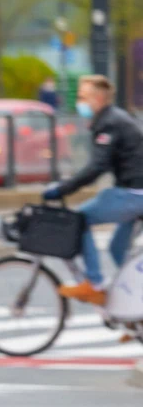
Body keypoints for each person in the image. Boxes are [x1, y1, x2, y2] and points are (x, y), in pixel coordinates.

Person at [42, 75, 143, 306]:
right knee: (118, 249)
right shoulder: (113, 119)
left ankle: (94, 283)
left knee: (78, 218)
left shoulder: (109, 123)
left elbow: (97, 167)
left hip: (135, 194)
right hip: (135, 191)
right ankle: (136, 313)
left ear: (98, 98)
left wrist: (63, 189)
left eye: (83, 97)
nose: (79, 101)